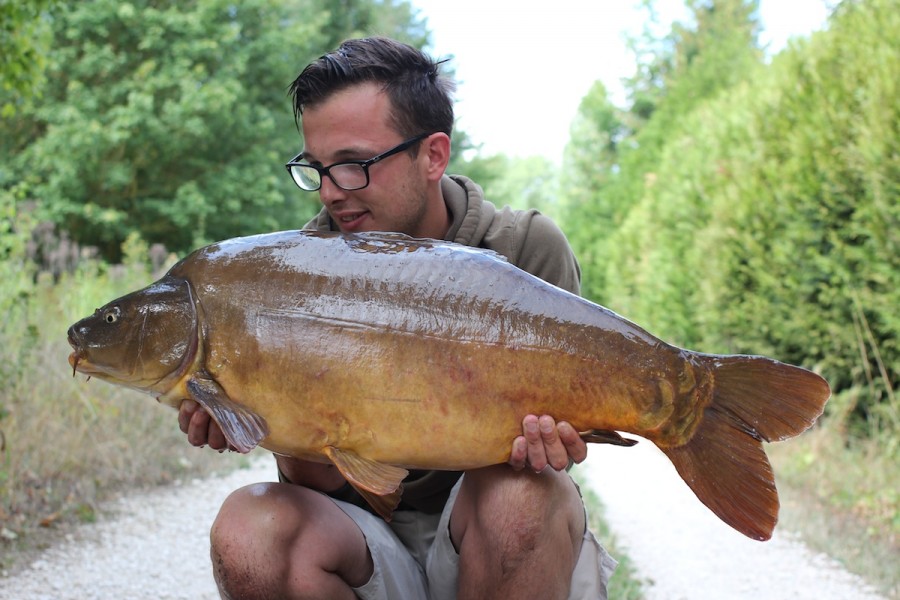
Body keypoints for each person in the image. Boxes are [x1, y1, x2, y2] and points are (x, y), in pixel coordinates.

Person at [178, 36, 616, 599]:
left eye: (354, 165)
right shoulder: (288, 276)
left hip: (490, 533)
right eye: (317, 169)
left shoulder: (523, 247)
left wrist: (557, 439)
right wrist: (259, 416)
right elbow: (321, 481)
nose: (333, 194)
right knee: (250, 528)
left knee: (525, 494)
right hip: (359, 541)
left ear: (433, 155)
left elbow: (555, 451)